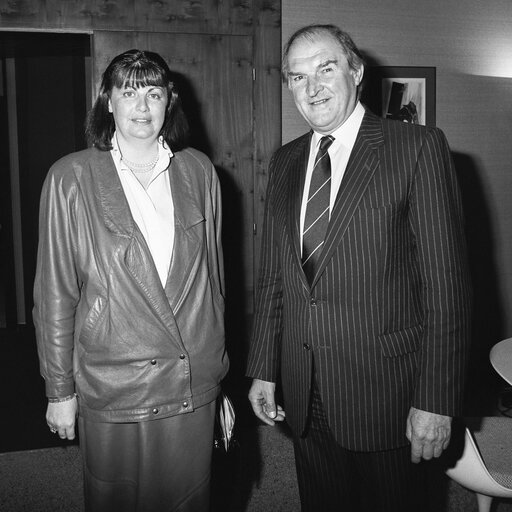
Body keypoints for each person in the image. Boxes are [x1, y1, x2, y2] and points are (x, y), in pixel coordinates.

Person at [247, 24, 472, 512]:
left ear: (356, 71)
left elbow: (446, 288)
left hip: (387, 392)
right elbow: (274, 279)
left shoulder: (416, 147)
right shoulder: (284, 163)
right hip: (305, 388)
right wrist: (263, 368)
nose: (312, 87)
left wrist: (435, 399)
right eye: (297, 76)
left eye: (326, 69)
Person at [33, 49, 228, 512]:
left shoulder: (199, 170)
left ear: (170, 102)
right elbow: (56, 295)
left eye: (154, 93)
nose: (142, 107)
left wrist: (219, 381)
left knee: (189, 501)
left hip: (190, 381)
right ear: (108, 102)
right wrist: (59, 390)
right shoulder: (70, 177)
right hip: (114, 380)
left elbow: (214, 285)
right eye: (128, 92)